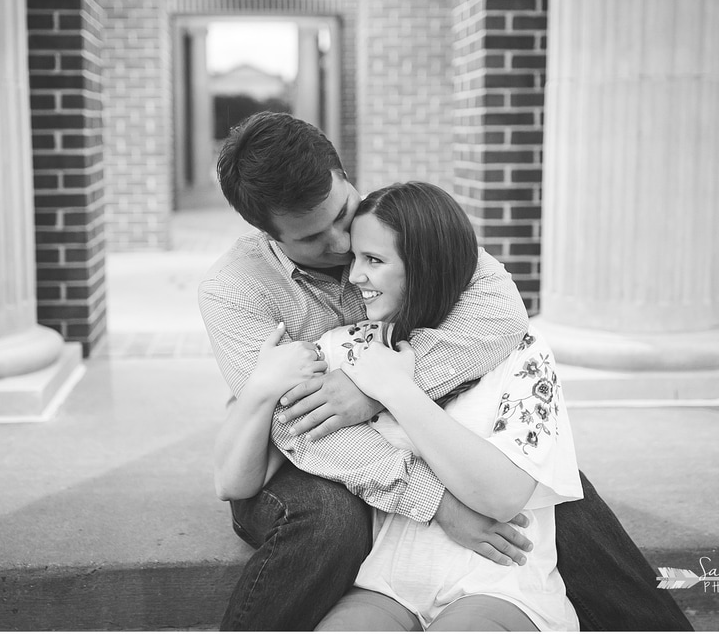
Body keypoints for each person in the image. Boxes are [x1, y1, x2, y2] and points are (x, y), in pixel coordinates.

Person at [199, 111, 693, 631]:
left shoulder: (402, 229)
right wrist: (438, 504)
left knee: (552, 490)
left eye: (342, 215)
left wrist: (379, 388)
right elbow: (301, 428)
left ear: (345, 176)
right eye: (313, 239)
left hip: (417, 432)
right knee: (331, 518)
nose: (343, 246)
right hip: (300, 465)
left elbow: (500, 315)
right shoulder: (235, 290)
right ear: (268, 234)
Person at [217, 181, 583, 630]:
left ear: (425, 266)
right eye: (356, 258)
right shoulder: (342, 350)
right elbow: (236, 480)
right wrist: (258, 390)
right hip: (385, 583)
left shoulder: (520, 352)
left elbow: (502, 497)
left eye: (372, 260)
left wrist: (395, 391)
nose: (352, 277)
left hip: (497, 580)